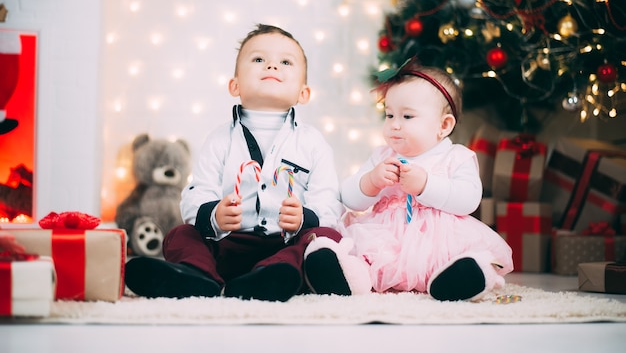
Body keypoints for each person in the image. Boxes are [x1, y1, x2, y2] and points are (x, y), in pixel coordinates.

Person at [124, 24, 359, 302]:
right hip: (228, 244)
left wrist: (303, 218)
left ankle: (269, 278)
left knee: (323, 236)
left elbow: (329, 201)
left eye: (285, 62)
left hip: (284, 246)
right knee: (180, 234)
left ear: (303, 93)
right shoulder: (220, 139)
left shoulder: (312, 142)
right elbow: (197, 192)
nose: (272, 65)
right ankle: (197, 276)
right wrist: (214, 215)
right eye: (259, 59)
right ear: (234, 85)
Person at [340, 57, 513, 301]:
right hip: (385, 238)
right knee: (359, 253)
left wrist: (426, 185)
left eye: (407, 117)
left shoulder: (456, 157)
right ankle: (347, 276)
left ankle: (458, 278)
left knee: (458, 257)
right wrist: (371, 181)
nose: (394, 125)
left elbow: (468, 200)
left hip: (439, 243)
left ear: (443, 125)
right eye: (389, 116)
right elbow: (348, 198)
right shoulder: (382, 157)